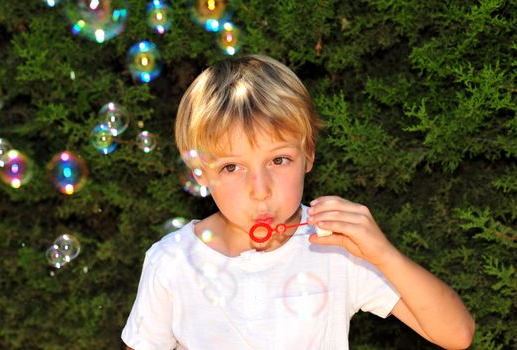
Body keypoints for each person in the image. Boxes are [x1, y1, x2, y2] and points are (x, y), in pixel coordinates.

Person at [122, 55, 475, 349]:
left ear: (308, 155)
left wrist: (383, 254)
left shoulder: (334, 248)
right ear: (200, 173)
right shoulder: (173, 262)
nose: (260, 189)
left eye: (278, 160)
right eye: (232, 166)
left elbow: (456, 335)